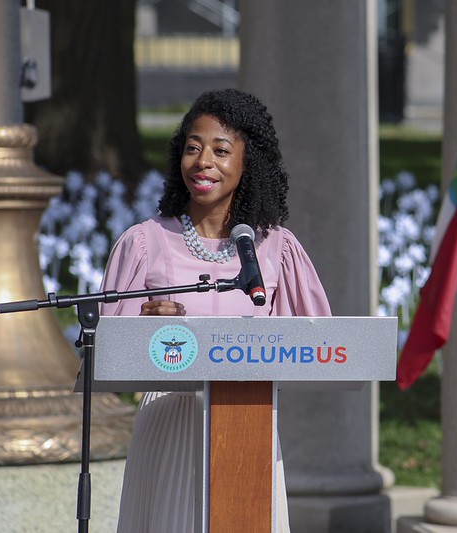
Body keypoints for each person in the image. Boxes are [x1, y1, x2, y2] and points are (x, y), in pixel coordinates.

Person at [99, 88, 331, 532]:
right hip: (171, 425)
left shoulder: (275, 249)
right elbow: (108, 352)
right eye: (193, 147)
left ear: (248, 164)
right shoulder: (145, 242)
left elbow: (316, 342)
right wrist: (143, 329)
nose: (203, 161)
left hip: (249, 425)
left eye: (221, 150)